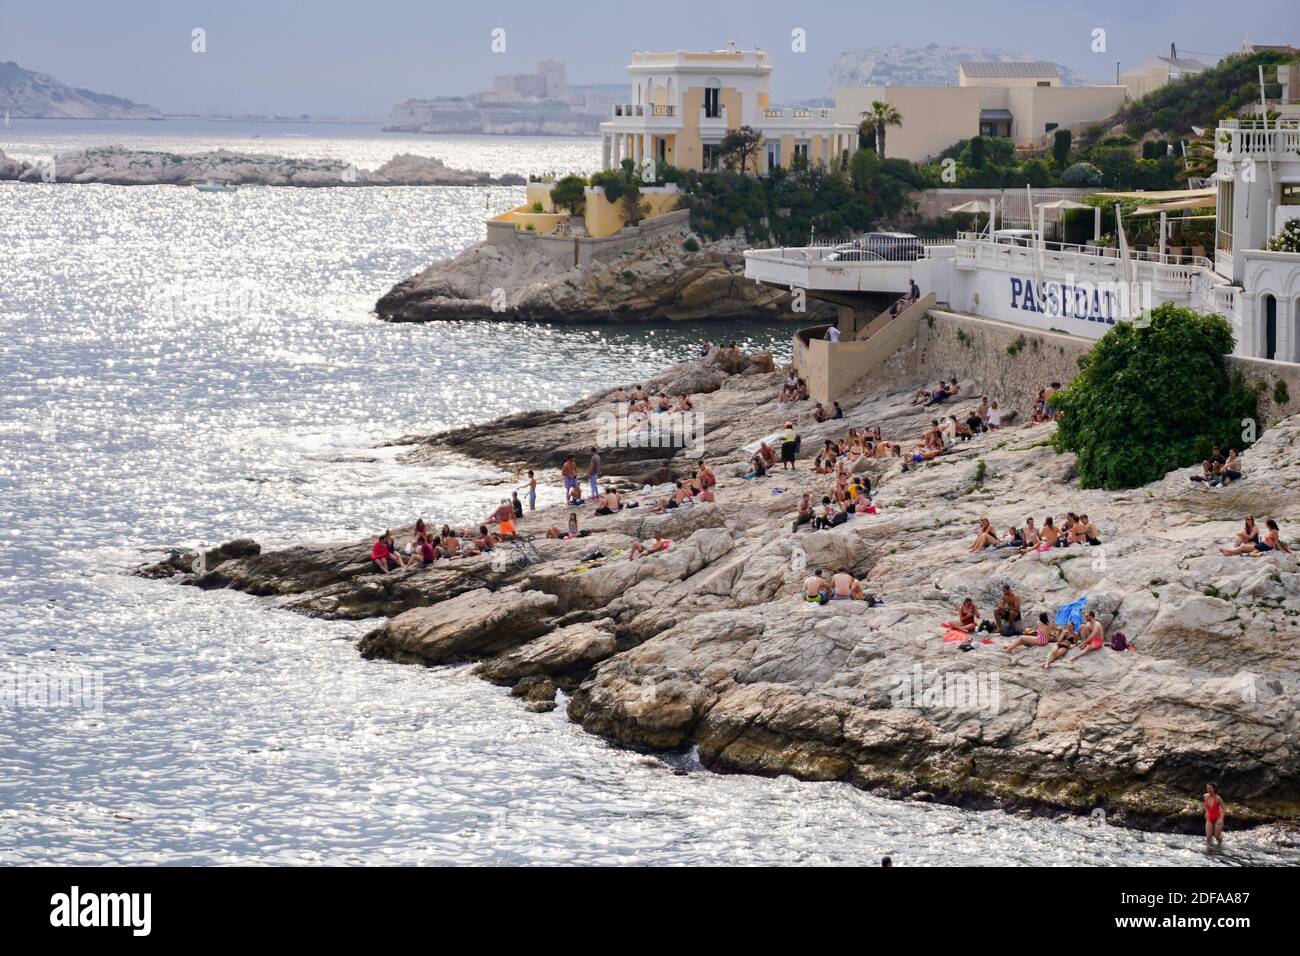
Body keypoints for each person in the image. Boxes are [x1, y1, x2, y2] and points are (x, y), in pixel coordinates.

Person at [1221, 517, 1291, 556]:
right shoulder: (1271, 530)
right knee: (1244, 549)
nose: (1265, 525)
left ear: (1269, 525)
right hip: (1262, 545)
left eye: (1266, 524)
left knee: (1243, 547)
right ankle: (1228, 553)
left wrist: (1281, 549)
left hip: (1264, 547)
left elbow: (1276, 541)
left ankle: (1227, 551)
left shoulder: (1274, 531)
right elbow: (1273, 541)